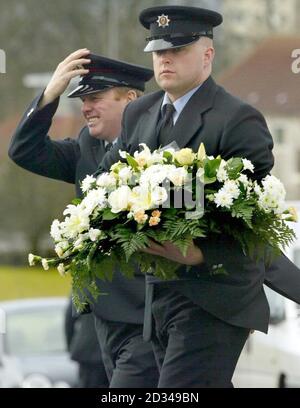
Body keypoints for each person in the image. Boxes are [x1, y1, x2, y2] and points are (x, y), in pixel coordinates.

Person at [95, 5, 300, 387]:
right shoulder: (139, 113)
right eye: (158, 52)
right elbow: (109, 184)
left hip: (216, 294)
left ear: (207, 55)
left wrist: (200, 251)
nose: (165, 59)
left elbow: (249, 220)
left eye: (177, 50)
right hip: (158, 295)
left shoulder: (237, 119)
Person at [8, 51, 159, 388]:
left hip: (145, 321)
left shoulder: (161, 150)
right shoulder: (86, 148)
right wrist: (51, 94)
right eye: (82, 99)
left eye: (95, 98)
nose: (85, 108)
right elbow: (24, 151)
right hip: (103, 322)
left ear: (131, 98)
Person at [65, 296, 109, 388]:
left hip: (89, 351)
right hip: (113, 349)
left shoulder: (85, 284)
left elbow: (70, 319)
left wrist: (70, 345)